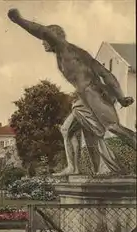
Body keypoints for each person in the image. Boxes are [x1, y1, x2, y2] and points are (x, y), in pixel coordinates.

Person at [7, 8, 135, 176]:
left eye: (45, 39)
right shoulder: (77, 53)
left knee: (113, 128)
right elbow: (106, 73)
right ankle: (73, 168)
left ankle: (108, 165)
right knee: (68, 129)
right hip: (85, 98)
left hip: (93, 94)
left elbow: (42, 31)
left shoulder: (64, 48)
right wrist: (120, 97)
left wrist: (19, 20)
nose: (43, 42)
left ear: (53, 38)